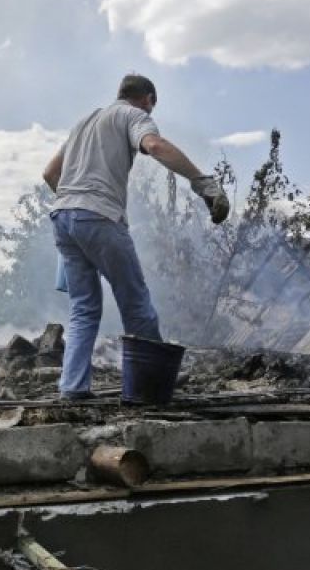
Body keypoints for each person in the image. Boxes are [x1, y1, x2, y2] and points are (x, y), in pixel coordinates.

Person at [42, 73, 229, 401]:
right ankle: (150, 388)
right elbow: (154, 145)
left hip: (63, 217)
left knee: (84, 308)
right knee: (136, 303)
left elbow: (49, 173)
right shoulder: (133, 115)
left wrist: (75, 206)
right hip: (99, 217)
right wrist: (203, 183)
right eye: (152, 108)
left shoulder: (84, 121)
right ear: (148, 99)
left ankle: (72, 388)